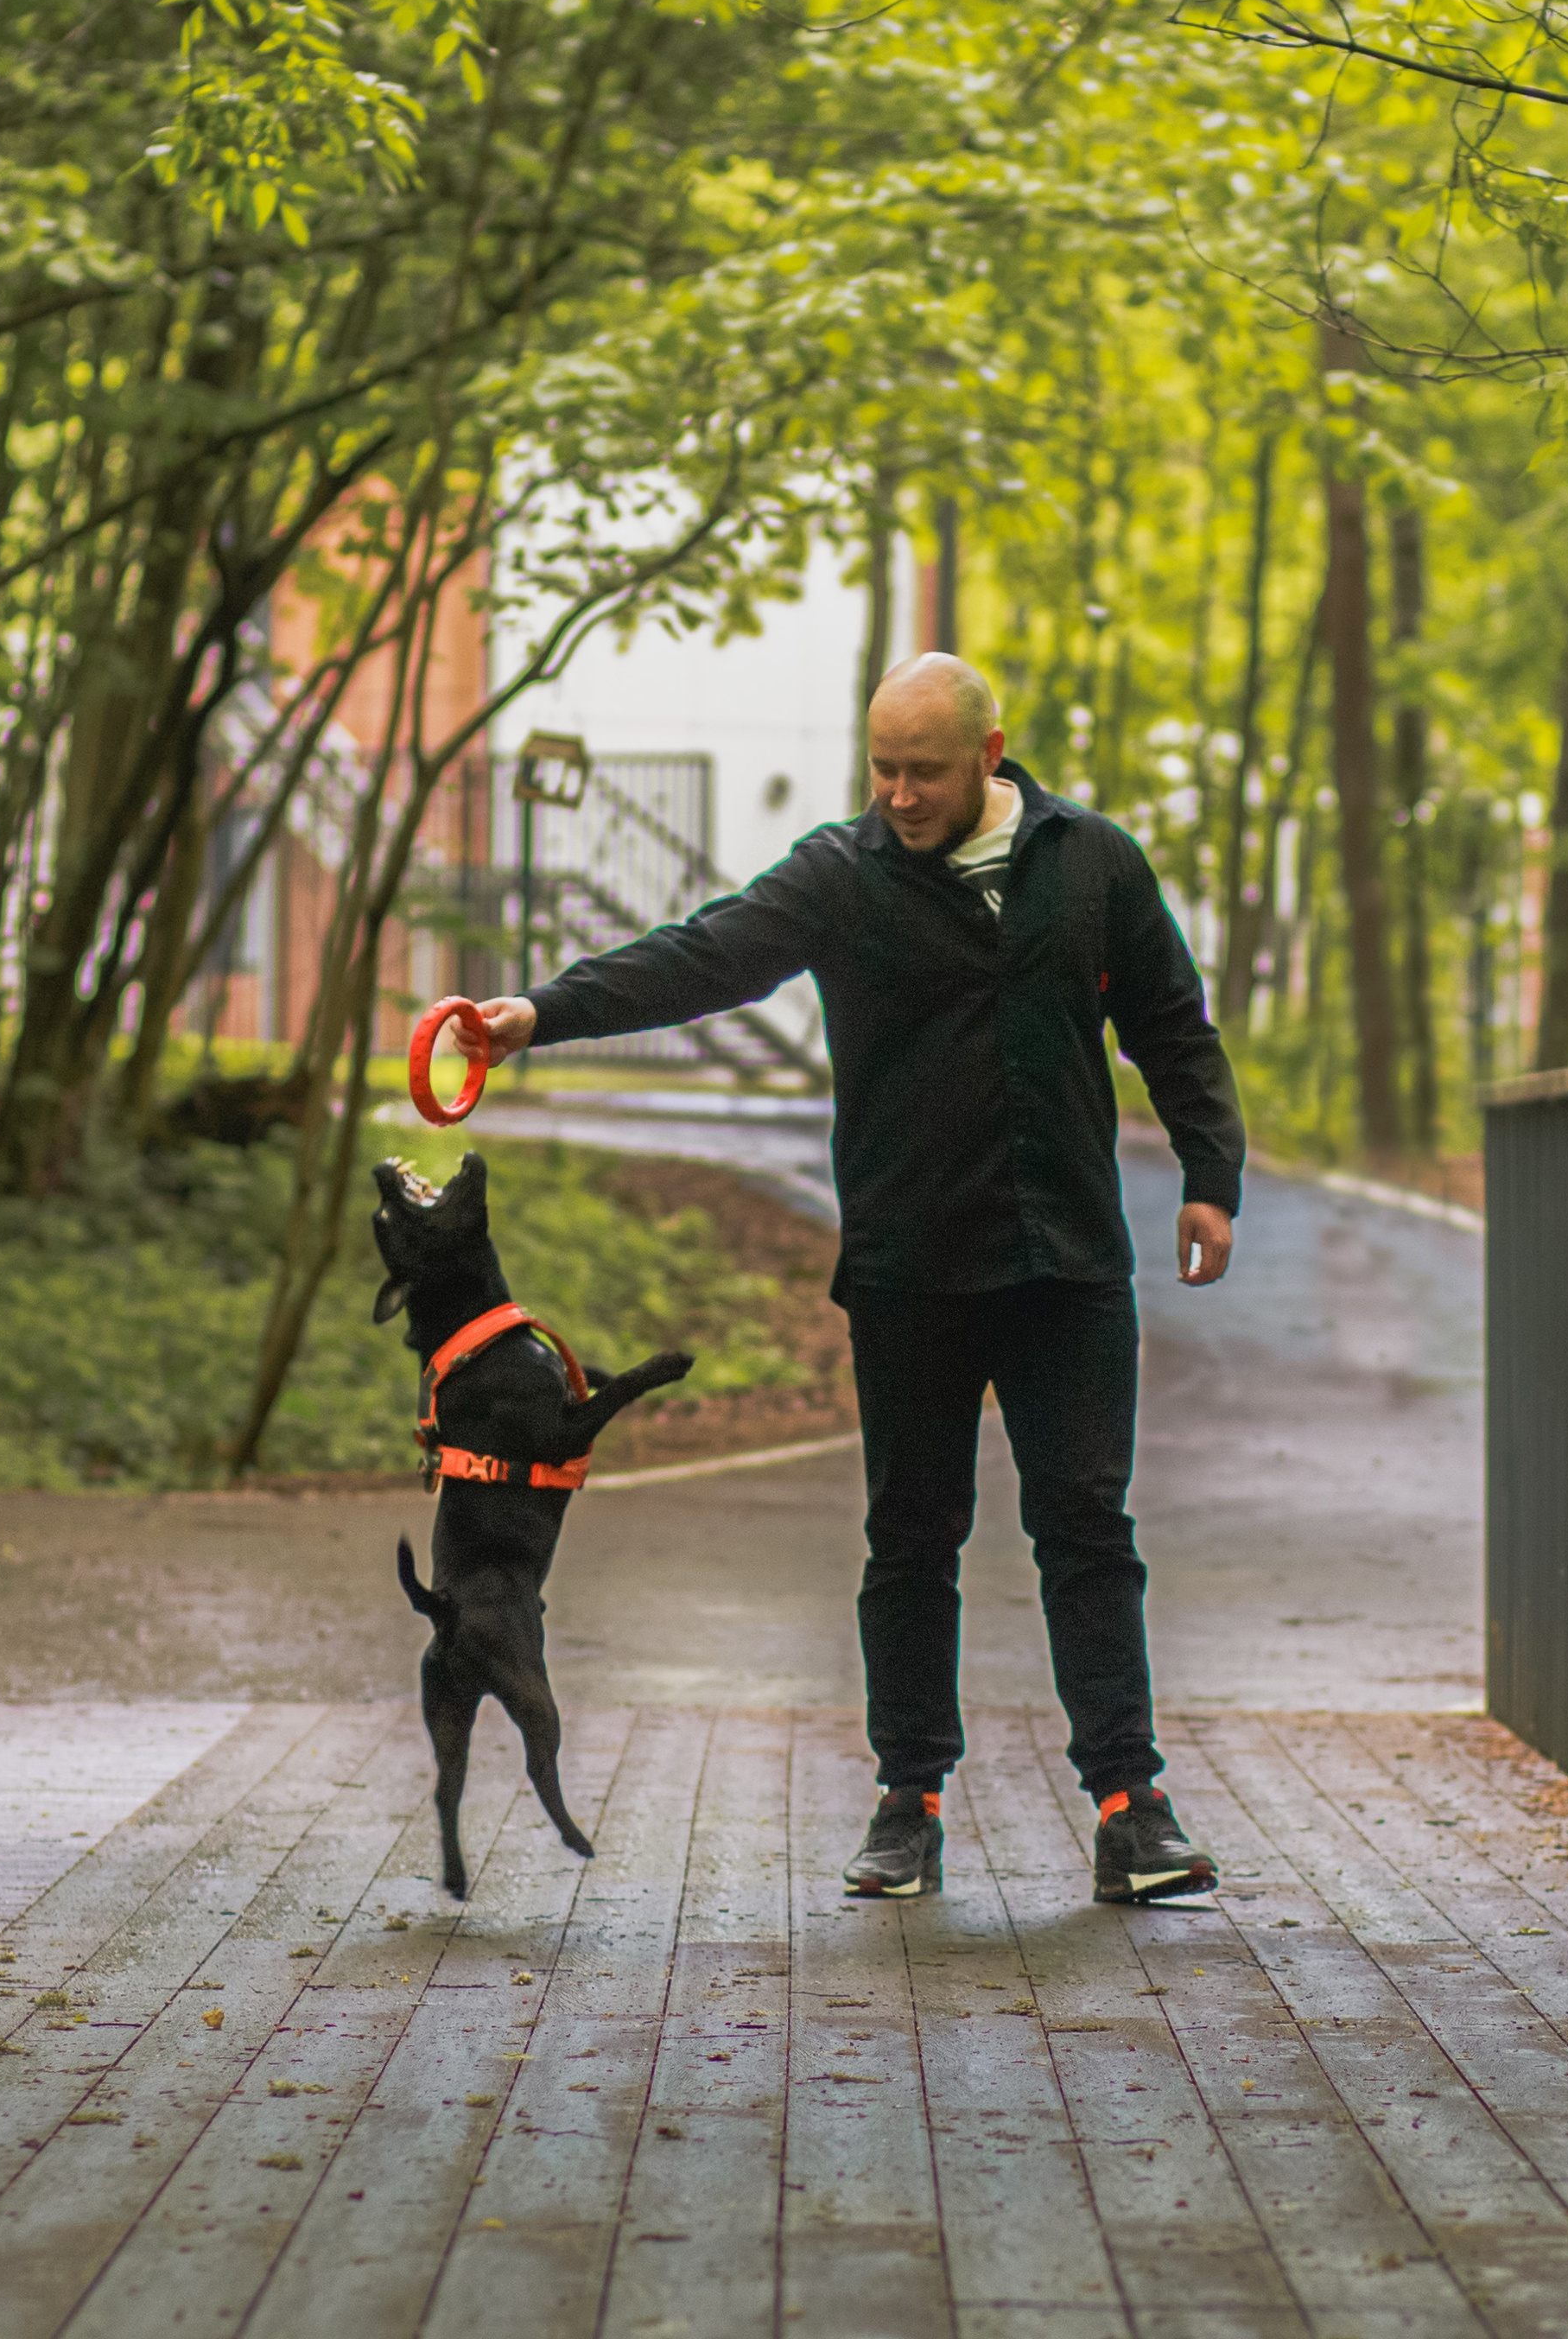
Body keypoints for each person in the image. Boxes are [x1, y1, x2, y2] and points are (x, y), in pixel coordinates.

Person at [461, 651, 1244, 1905]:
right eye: (881, 767)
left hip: (1067, 1264)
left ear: (991, 757)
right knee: (911, 1536)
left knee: (1088, 1528)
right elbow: (700, 957)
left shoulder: (1092, 862)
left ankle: (1130, 1807)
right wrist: (540, 1015)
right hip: (911, 1263)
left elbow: (1172, 1023)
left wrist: (1211, 1172)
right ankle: (908, 1802)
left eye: (923, 769)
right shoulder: (843, 875)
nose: (898, 793)